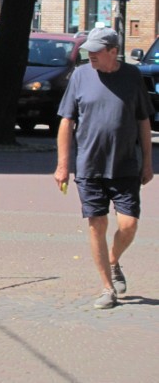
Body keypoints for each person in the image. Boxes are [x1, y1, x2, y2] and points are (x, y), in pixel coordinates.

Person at [54, 26, 154, 309]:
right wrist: (63, 165)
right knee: (97, 225)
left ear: (113, 51)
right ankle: (107, 288)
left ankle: (113, 261)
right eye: (89, 52)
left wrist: (148, 162)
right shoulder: (81, 76)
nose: (91, 56)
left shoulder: (132, 77)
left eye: (97, 52)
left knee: (129, 224)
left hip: (124, 165)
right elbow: (66, 122)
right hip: (89, 166)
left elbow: (143, 121)